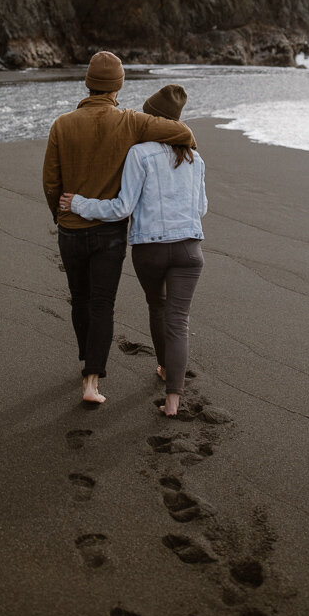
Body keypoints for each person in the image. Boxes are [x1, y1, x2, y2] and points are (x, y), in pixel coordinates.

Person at [43, 52, 195, 406]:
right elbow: (183, 132)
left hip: (70, 229)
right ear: (119, 86)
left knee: (79, 300)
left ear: (88, 83)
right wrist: (191, 158)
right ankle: (91, 381)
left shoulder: (62, 124)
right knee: (102, 303)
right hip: (109, 232)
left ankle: (87, 359)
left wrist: (59, 214)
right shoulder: (131, 121)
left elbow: (51, 181)